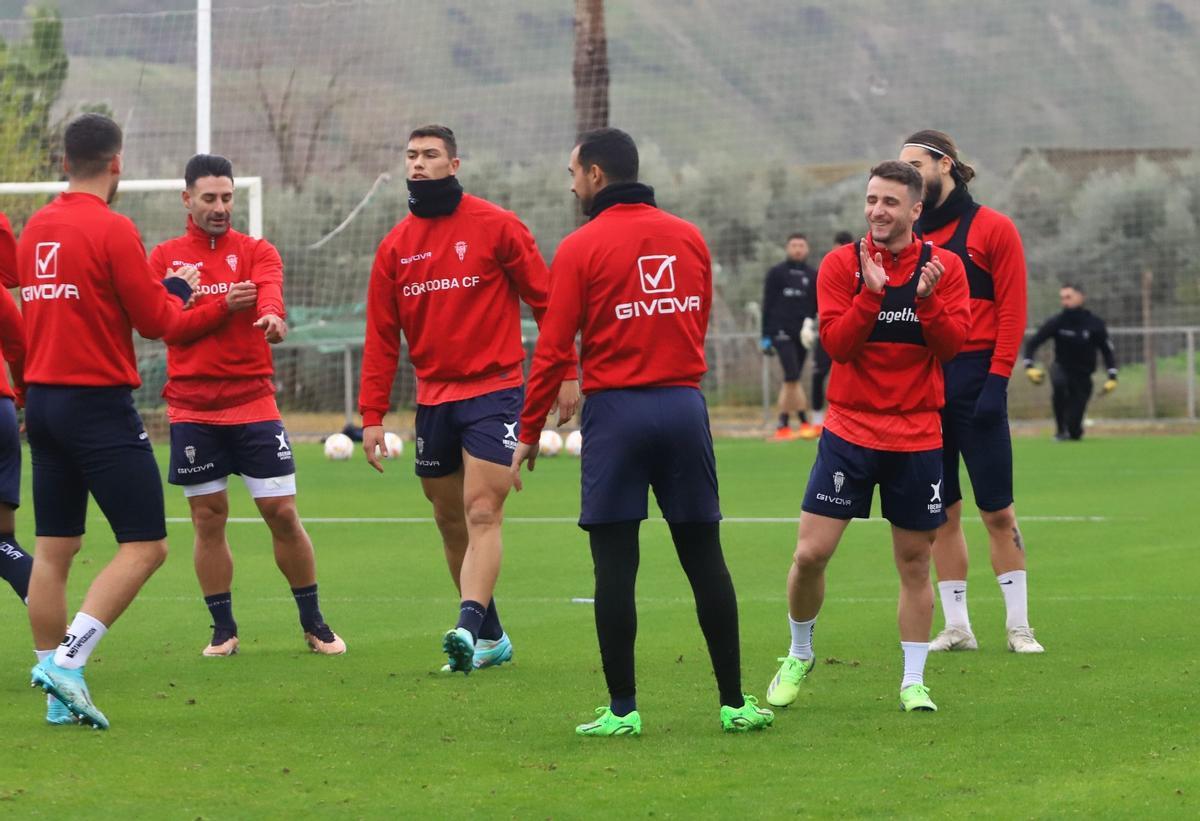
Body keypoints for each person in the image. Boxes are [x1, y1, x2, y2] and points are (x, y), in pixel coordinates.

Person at [512, 127, 774, 736]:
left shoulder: (580, 246)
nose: (572, 182)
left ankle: (624, 711)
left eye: (574, 172)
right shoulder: (689, 237)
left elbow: (554, 349)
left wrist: (528, 429)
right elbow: (700, 314)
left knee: (614, 568)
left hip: (618, 416)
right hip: (684, 407)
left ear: (597, 175)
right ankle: (734, 703)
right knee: (705, 559)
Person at [360, 124, 579, 674]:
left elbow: (547, 303)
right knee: (449, 518)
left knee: (483, 510)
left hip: (495, 391)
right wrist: (371, 416)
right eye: (411, 155)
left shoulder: (497, 226)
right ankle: (491, 636)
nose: (418, 164)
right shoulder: (394, 248)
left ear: (454, 164)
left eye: (430, 155)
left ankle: (464, 626)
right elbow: (382, 338)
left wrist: (568, 373)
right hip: (433, 400)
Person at [764, 161, 970, 714]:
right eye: (872, 200)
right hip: (850, 431)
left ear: (915, 211)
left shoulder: (945, 266)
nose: (878, 210)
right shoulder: (841, 264)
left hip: (917, 436)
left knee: (912, 563)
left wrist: (925, 300)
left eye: (890, 202)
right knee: (810, 554)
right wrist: (871, 295)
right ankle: (799, 653)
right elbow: (837, 346)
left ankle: (912, 681)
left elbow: (952, 347)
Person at [18, 113, 199, 729]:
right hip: (96, 405)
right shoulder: (114, 228)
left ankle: (55, 698)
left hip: (40, 403)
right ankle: (68, 664)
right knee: (146, 545)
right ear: (117, 163)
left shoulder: (33, 227)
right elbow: (156, 322)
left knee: (53, 549)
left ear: (65, 162)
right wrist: (179, 289)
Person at [148, 153, 346, 657]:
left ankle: (314, 622)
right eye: (210, 198)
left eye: (227, 197)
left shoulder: (257, 250)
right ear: (187, 198)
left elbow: (269, 294)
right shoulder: (165, 259)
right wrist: (220, 307)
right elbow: (166, 327)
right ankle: (223, 630)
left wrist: (273, 318)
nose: (220, 207)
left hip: (253, 404)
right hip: (192, 409)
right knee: (208, 519)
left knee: (281, 513)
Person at [900, 130, 1043, 654]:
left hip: (979, 378)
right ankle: (957, 626)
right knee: (942, 514)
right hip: (927, 385)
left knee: (998, 512)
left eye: (916, 164)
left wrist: (998, 381)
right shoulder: (910, 238)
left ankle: (1018, 626)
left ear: (947, 166)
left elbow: (1012, 310)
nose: (909, 174)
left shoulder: (993, 229)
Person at [1024, 283, 1118, 441]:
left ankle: (1073, 429)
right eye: (1062, 298)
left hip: (1083, 375)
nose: (1064, 301)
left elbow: (1107, 350)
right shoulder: (1057, 321)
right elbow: (1033, 342)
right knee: (1059, 384)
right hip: (1062, 367)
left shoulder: (1095, 324)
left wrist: (1112, 376)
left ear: (1081, 297)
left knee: (1074, 431)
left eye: (1068, 297)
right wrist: (1029, 366)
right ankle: (1060, 430)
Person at [0, 212, 31, 609]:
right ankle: (60, 638)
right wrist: (23, 397)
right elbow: (20, 344)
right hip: (3, 410)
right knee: (3, 542)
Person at [761, 233, 819, 440]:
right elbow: (767, 304)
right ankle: (802, 421)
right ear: (787, 248)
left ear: (807, 249)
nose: (797, 249)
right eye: (793, 245)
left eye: (801, 245)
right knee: (792, 374)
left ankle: (784, 423)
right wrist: (765, 335)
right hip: (780, 331)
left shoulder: (813, 275)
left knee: (791, 379)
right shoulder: (776, 273)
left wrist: (811, 324)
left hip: (803, 334)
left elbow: (817, 305)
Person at [809, 230, 853, 427]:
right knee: (819, 373)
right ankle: (817, 419)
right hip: (828, 329)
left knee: (848, 373)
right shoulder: (828, 267)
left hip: (850, 331)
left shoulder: (861, 267)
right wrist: (809, 323)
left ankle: (845, 417)